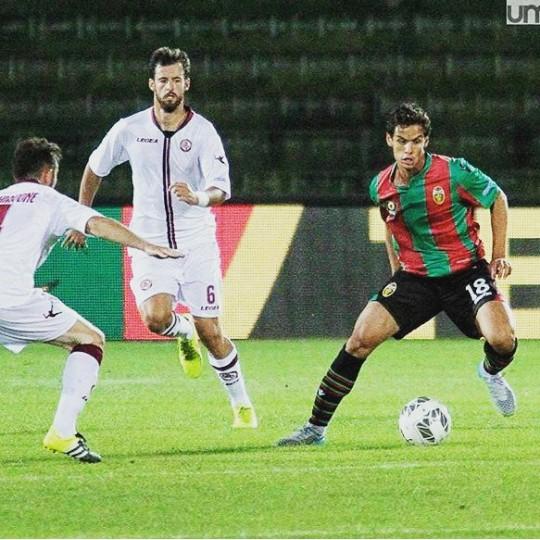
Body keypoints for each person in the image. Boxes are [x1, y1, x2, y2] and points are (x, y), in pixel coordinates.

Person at [278, 102, 518, 446]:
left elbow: (497, 198)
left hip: (465, 271)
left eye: (417, 141)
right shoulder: (381, 186)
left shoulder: (454, 172)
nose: (409, 149)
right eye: (402, 141)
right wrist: (396, 272)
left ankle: (490, 372)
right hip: (416, 279)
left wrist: (499, 255)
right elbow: (391, 227)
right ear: (389, 139)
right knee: (359, 339)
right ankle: (315, 429)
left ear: (426, 141)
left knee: (502, 340)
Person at [63, 47, 257, 428]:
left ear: (187, 83)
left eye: (177, 80)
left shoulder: (203, 132)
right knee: (155, 318)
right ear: (152, 84)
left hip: (196, 245)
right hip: (149, 243)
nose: (170, 87)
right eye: (163, 80)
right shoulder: (129, 129)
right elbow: (95, 168)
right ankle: (179, 330)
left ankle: (242, 405)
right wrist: (80, 216)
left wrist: (197, 196)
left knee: (212, 333)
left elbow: (222, 188)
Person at [0, 137, 181, 462]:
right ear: (48, 173)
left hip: (11, 295)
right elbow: (97, 223)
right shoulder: (49, 199)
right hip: (9, 298)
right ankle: (63, 432)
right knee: (89, 340)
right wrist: (144, 246)